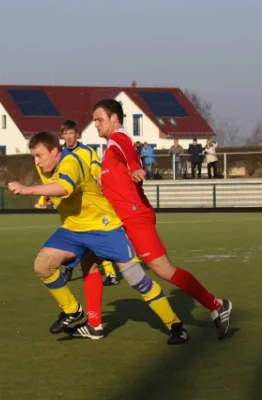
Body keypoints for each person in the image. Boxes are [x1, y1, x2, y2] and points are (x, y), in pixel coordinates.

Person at [8, 131, 188, 344]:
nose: (36, 162)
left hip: (103, 228)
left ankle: (175, 325)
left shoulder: (70, 162)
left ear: (55, 151)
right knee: (43, 266)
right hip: (73, 229)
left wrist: (27, 189)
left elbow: (64, 187)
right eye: (34, 157)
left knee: (136, 279)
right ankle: (73, 311)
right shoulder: (46, 166)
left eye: (40, 156)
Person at [92, 98, 233, 339]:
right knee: (90, 259)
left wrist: (136, 167)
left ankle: (217, 305)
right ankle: (91, 322)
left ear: (114, 118)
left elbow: (129, 153)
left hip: (135, 218)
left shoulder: (118, 139)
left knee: (163, 269)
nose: (96, 124)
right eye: (94, 120)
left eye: (99, 119)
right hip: (120, 221)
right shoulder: (110, 146)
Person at [58, 120, 120, 286]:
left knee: (96, 235)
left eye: (72, 133)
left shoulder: (88, 151)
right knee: (70, 235)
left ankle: (111, 274)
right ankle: (69, 267)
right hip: (69, 203)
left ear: (77, 134)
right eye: (66, 133)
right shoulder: (60, 154)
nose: (69, 136)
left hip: (89, 201)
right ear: (62, 135)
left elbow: (96, 171)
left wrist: (99, 182)